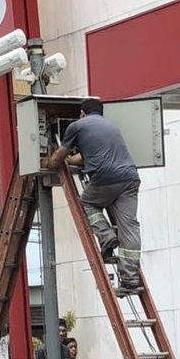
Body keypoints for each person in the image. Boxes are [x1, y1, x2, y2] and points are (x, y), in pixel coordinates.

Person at [43, 98, 142, 290]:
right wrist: (74, 160)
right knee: (129, 226)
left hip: (105, 179)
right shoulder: (111, 127)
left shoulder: (77, 126)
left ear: (82, 113)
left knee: (87, 202)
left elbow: (59, 157)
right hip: (130, 179)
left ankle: (106, 236)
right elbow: (92, 154)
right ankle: (130, 280)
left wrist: (49, 162)